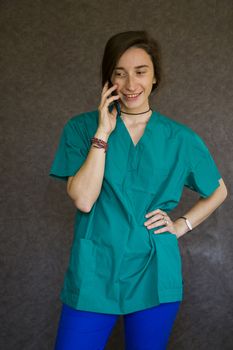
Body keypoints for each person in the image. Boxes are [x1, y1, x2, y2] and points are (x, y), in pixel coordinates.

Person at [49, 30, 228, 350]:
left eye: (140, 72)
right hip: (94, 270)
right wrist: (103, 132)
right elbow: (84, 199)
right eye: (120, 73)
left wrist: (180, 225)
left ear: (155, 76)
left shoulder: (181, 138)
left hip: (154, 270)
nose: (131, 84)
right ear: (108, 79)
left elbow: (219, 191)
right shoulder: (80, 128)